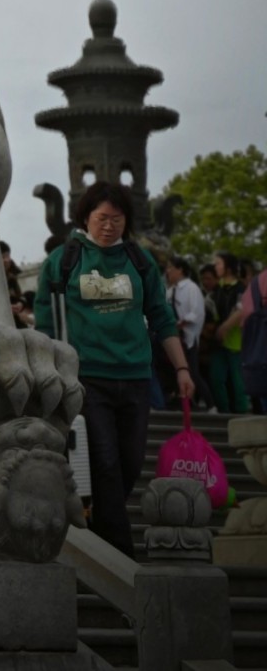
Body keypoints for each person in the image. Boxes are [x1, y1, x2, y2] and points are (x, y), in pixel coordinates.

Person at [34, 180, 193, 556]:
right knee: (104, 461)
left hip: (135, 376)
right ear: (86, 218)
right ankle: (120, 553)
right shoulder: (65, 260)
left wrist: (182, 369)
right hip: (87, 378)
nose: (109, 226)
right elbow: (45, 324)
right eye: (102, 218)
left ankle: (95, 526)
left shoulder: (139, 261)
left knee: (131, 461)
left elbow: (161, 318)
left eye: (117, 219)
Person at [205, 250, 251, 415]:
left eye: (218, 263)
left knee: (238, 381)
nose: (215, 266)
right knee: (216, 377)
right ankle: (223, 411)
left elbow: (241, 311)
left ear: (229, 268)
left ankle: (241, 412)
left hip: (236, 342)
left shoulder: (241, 288)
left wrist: (224, 328)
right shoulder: (216, 290)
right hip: (219, 343)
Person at [164, 256, 212, 406]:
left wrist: (180, 324)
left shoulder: (191, 288)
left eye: (171, 268)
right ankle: (182, 403)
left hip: (187, 337)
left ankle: (211, 403)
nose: (168, 271)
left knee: (191, 371)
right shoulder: (170, 290)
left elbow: (196, 313)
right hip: (173, 336)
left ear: (180, 270)